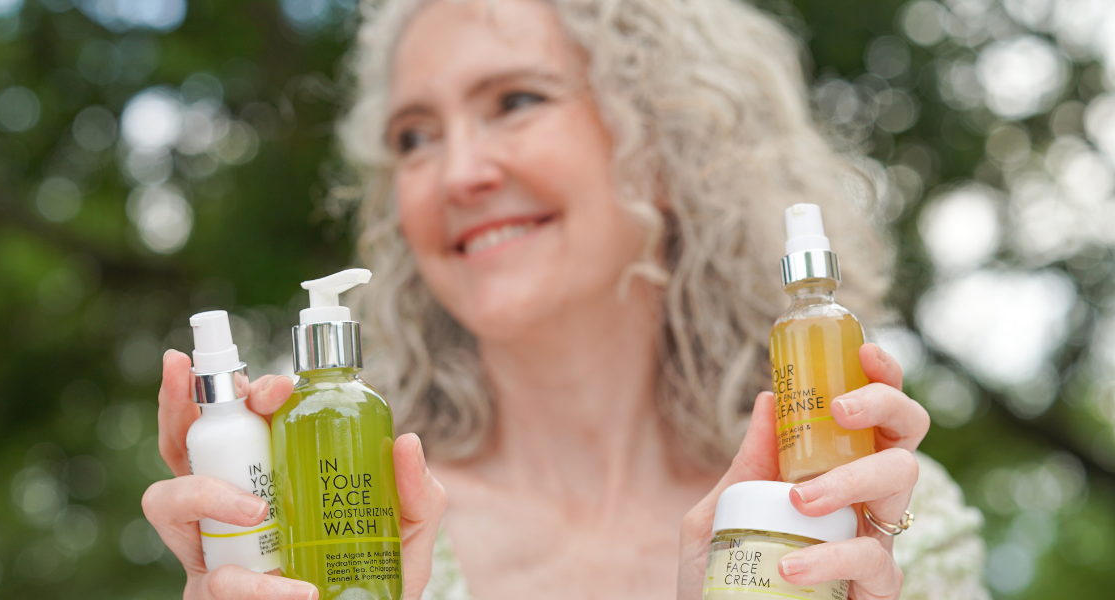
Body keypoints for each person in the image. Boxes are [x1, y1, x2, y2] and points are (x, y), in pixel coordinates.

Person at [142, 0, 989, 598]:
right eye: (414, 138)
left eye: (515, 100)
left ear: (667, 146)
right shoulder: (337, 525)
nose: (458, 172)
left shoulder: (878, 515)